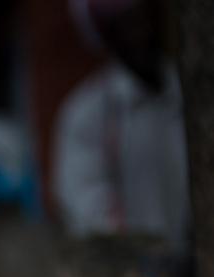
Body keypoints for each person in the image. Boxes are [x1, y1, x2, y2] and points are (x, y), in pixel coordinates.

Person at [52, 0, 189, 251]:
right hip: (138, 274)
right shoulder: (89, 116)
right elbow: (89, 216)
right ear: (110, 38)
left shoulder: (190, 94)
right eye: (129, 26)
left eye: (145, 20)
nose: (143, 33)